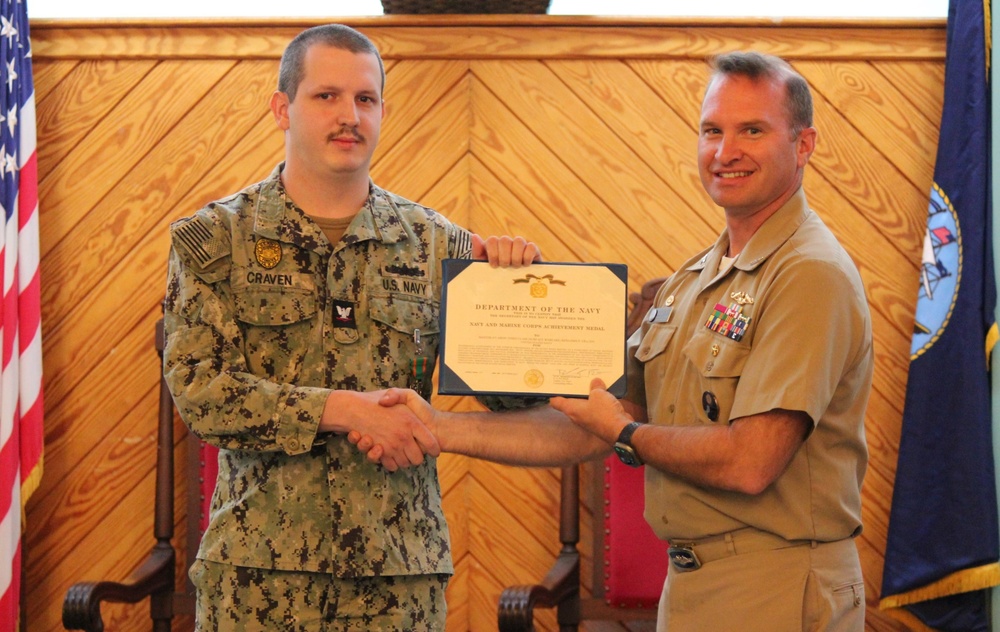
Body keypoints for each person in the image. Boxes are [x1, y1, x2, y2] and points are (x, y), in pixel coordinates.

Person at [365, 51, 873, 631]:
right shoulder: (693, 280)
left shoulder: (808, 272)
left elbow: (751, 462)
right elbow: (590, 420)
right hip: (691, 587)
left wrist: (625, 433)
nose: (724, 151)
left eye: (751, 130)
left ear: (804, 145)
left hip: (776, 590)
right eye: (712, 131)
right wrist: (438, 426)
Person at [162, 24, 540, 630]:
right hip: (259, 581)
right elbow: (202, 396)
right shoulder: (216, 242)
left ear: (383, 111)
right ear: (282, 108)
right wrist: (344, 409)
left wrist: (523, 300)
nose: (349, 117)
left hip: (398, 581)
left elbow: (515, 398)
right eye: (327, 96)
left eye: (365, 100)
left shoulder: (438, 246)